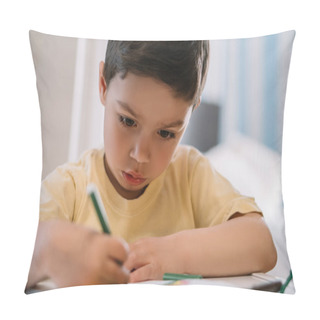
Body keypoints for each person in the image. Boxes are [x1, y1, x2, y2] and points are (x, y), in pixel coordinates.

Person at [26, 40, 277, 290]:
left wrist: (175, 254)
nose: (141, 155)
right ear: (103, 85)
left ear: (191, 112)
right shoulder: (71, 187)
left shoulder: (190, 175)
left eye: (166, 134)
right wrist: (46, 250)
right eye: (127, 120)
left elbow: (262, 245)